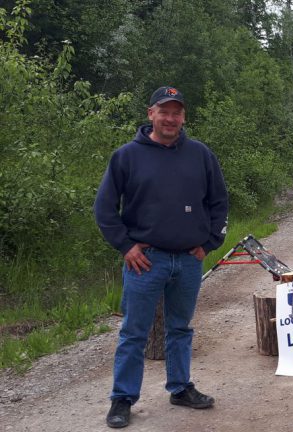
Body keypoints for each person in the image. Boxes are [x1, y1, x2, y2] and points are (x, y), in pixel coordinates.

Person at [94, 86, 229, 428]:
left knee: (180, 328)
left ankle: (180, 387)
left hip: (187, 260)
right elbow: (104, 209)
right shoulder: (126, 156)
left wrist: (210, 242)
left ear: (184, 117)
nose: (170, 119)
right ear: (150, 113)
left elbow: (219, 202)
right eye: (164, 111)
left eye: (177, 112)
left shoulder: (200, 155)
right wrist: (126, 246)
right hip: (145, 260)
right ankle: (122, 399)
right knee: (134, 332)